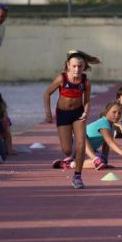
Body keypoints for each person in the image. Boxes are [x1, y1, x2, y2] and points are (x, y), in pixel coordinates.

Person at [44, 50, 100, 189]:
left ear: (84, 67)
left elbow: (87, 101)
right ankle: (69, 158)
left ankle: (77, 177)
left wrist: (86, 111)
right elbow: (47, 93)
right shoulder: (62, 78)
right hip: (63, 114)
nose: (77, 69)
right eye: (74, 66)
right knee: (67, 149)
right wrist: (48, 113)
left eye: (80, 66)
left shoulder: (85, 81)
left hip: (78, 114)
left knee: (81, 145)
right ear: (68, 65)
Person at [82, 101, 122, 171]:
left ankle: (76, 162)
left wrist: (105, 162)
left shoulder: (111, 126)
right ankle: (72, 164)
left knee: (102, 161)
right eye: (114, 112)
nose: (117, 115)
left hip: (86, 150)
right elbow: (110, 142)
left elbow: (106, 144)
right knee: (82, 133)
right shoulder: (103, 123)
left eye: (119, 113)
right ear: (106, 112)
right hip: (75, 145)